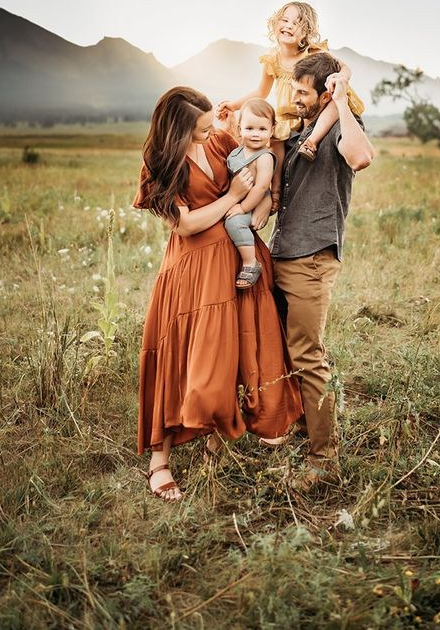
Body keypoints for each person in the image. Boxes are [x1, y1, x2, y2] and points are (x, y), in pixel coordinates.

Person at [133, 86, 302, 501]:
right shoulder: (159, 162)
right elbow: (186, 225)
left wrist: (262, 206)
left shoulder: (222, 141)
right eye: (204, 128)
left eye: (213, 124)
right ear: (180, 130)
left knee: (239, 350)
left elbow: (264, 161)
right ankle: (160, 460)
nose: (213, 132)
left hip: (238, 263)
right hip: (193, 269)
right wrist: (232, 198)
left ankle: (218, 438)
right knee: (182, 355)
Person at [266, 51, 374, 490]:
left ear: (325, 93)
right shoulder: (302, 131)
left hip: (311, 257)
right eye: (294, 89)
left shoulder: (341, 127)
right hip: (282, 252)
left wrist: (342, 100)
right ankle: (301, 426)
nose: (296, 97)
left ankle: (323, 459)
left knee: (308, 356)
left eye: (303, 92)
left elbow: (361, 157)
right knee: (286, 350)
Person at [215, 1, 364, 211]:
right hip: (288, 114)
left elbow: (345, 67)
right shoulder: (273, 60)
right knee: (276, 144)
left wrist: (341, 78)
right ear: (275, 24)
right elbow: (261, 92)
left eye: (297, 23)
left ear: (307, 32)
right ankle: (275, 192)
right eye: (285, 20)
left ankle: (312, 141)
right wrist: (233, 105)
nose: (289, 26)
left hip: (314, 111)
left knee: (335, 101)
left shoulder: (314, 54)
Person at [224, 98, 277, 289]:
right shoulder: (237, 152)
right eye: (249, 128)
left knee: (234, 223)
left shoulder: (264, 157)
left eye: (262, 129)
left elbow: (261, 187)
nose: (255, 134)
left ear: (272, 130)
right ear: (240, 129)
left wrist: (242, 207)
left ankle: (250, 262)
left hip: (252, 203)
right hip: (237, 198)